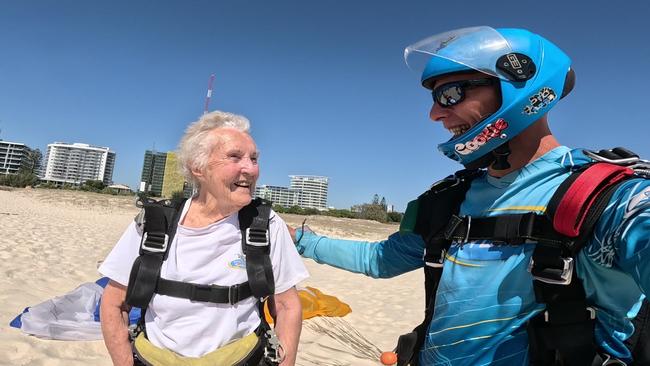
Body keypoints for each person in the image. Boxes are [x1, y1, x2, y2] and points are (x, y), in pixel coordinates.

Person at [289, 27, 650, 365]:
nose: (434, 113)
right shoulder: (448, 200)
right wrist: (301, 241)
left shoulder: (610, 198)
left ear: (518, 86)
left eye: (450, 94)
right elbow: (381, 260)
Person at [100, 110, 309, 366]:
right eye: (235, 156)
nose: (251, 169)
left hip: (242, 357)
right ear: (198, 168)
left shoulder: (265, 225)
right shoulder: (156, 223)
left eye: (254, 158)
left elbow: (288, 307)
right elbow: (113, 303)